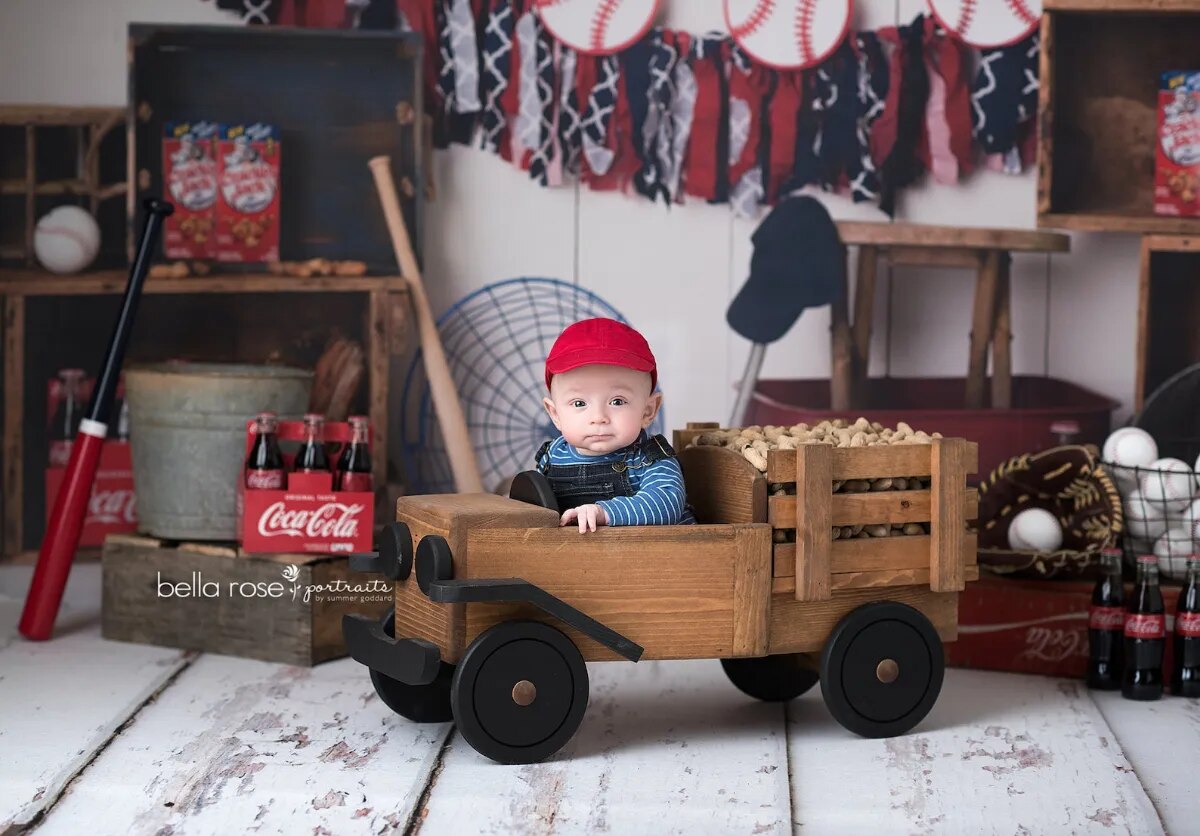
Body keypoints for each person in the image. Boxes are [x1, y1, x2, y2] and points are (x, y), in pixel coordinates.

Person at [537, 317, 696, 533]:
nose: (599, 417)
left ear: (648, 411)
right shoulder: (551, 457)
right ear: (555, 414)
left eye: (617, 401)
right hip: (582, 561)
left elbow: (666, 504)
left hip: (660, 559)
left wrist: (605, 512)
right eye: (579, 403)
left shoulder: (649, 460)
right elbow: (538, 505)